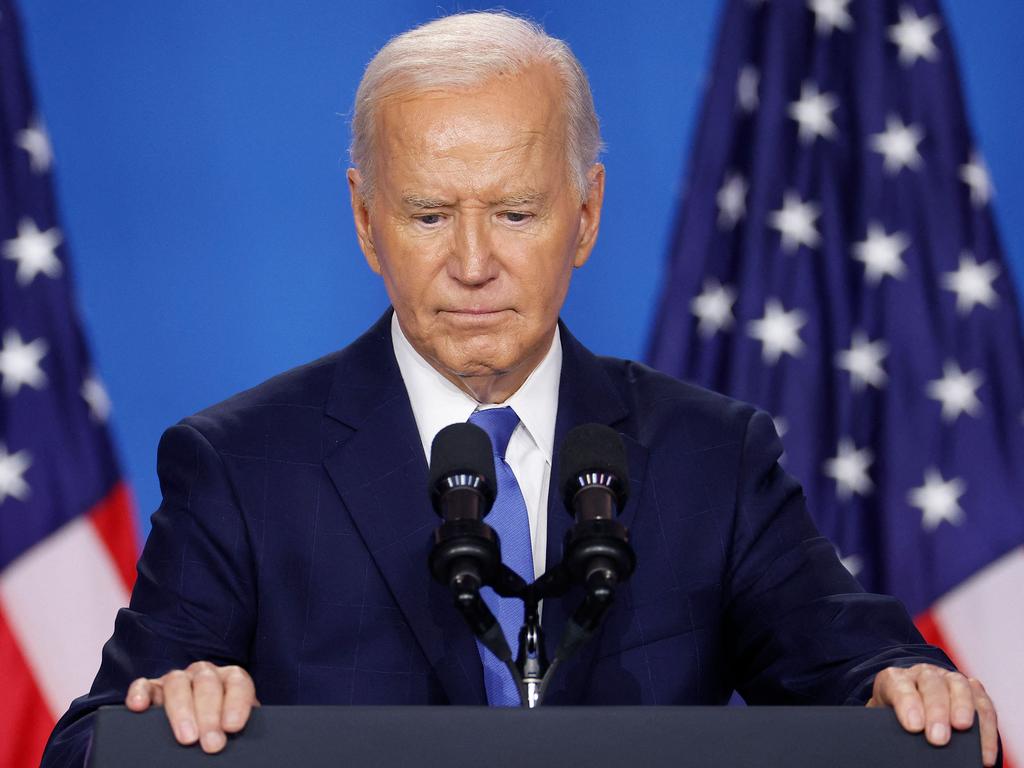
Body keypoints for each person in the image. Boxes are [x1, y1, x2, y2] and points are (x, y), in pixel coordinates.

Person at [42, 11, 999, 767]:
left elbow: (863, 668)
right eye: (426, 214)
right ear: (366, 221)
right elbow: (86, 744)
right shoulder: (244, 466)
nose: (471, 263)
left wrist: (904, 684)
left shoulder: (712, 457)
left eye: (514, 212)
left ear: (585, 216)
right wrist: (166, 709)